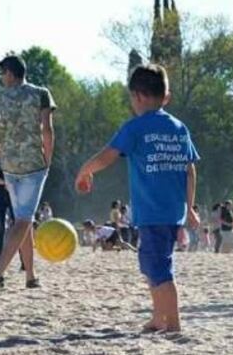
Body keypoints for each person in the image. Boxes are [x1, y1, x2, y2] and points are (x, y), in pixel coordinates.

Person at [76, 64, 199, 333]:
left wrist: (85, 170)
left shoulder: (135, 127)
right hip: (172, 211)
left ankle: (173, 323)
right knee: (152, 264)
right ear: (165, 96)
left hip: (153, 212)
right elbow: (190, 170)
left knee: (160, 269)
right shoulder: (180, 128)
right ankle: (158, 317)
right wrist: (190, 207)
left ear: (138, 96)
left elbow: (107, 156)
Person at [0, 54, 56, 290]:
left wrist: (3, 154)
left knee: (22, 220)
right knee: (24, 220)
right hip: (33, 165)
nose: (1, 78)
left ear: (10, 73)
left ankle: (31, 276)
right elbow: (47, 130)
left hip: (9, 168)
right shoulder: (40, 93)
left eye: (2, 73)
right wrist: (48, 158)